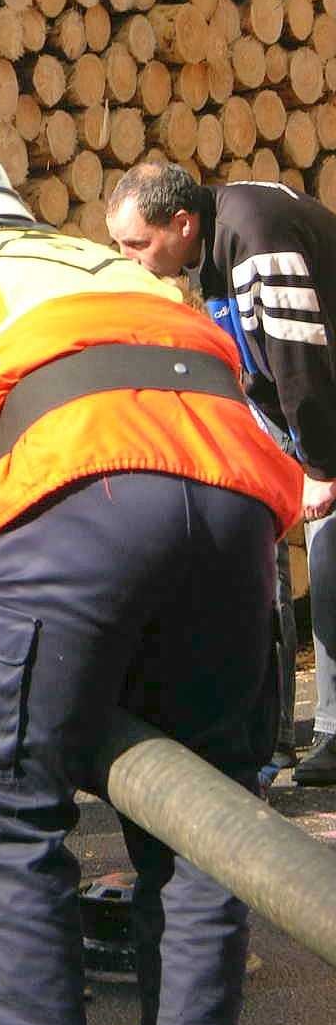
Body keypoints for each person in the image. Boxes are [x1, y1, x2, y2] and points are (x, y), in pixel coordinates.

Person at [0, 142, 302, 1025]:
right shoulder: (107, 265)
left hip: (74, 497)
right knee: (203, 821)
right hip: (236, 508)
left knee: (6, 813)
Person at [106, 163, 336, 786]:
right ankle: (274, 738)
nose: (131, 261)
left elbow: (299, 354)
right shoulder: (207, 249)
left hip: (324, 407)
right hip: (293, 414)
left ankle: (332, 733)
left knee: (331, 561)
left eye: (137, 245)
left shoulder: (256, 234)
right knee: (263, 556)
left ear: (181, 223)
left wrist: (317, 464)